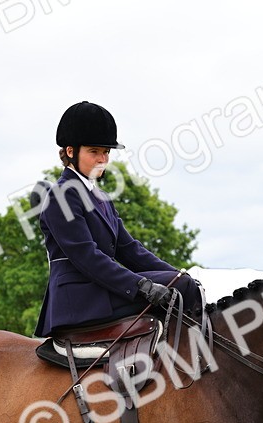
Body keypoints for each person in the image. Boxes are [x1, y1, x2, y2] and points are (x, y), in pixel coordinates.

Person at [34, 101, 202, 338]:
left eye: (106, 152)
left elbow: (129, 249)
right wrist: (140, 286)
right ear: (70, 151)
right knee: (180, 288)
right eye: (94, 152)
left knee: (183, 283)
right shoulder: (60, 196)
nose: (103, 159)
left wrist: (178, 273)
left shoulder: (99, 196)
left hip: (100, 289)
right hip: (79, 298)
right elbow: (87, 257)